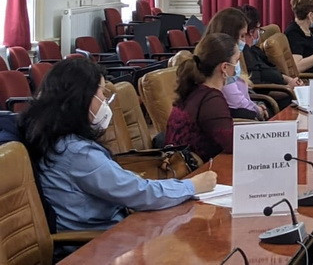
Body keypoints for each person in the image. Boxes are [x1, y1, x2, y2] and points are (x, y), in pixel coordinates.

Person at [20, 58, 217, 231]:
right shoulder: (77, 153)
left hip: (108, 228)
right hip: (99, 241)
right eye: (101, 92)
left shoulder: (56, 139)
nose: (105, 100)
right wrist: (192, 186)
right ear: (81, 98)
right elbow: (140, 193)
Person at [165, 33, 238, 162]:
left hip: (181, 164)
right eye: (236, 61)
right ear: (224, 67)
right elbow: (232, 144)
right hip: (197, 170)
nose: (238, 66)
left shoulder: (194, 88)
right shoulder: (212, 100)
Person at [205, 7, 267, 120]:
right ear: (229, 35)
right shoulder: (220, 64)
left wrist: (256, 105)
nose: (244, 41)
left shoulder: (232, 58)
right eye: (242, 36)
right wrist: (257, 110)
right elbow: (236, 102)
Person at [241, 4, 302, 95]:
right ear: (251, 32)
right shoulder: (245, 54)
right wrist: (288, 88)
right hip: (276, 98)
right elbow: (257, 88)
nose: (259, 33)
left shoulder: (254, 49)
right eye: (259, 28)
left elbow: (271, 69)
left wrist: (290, 80)